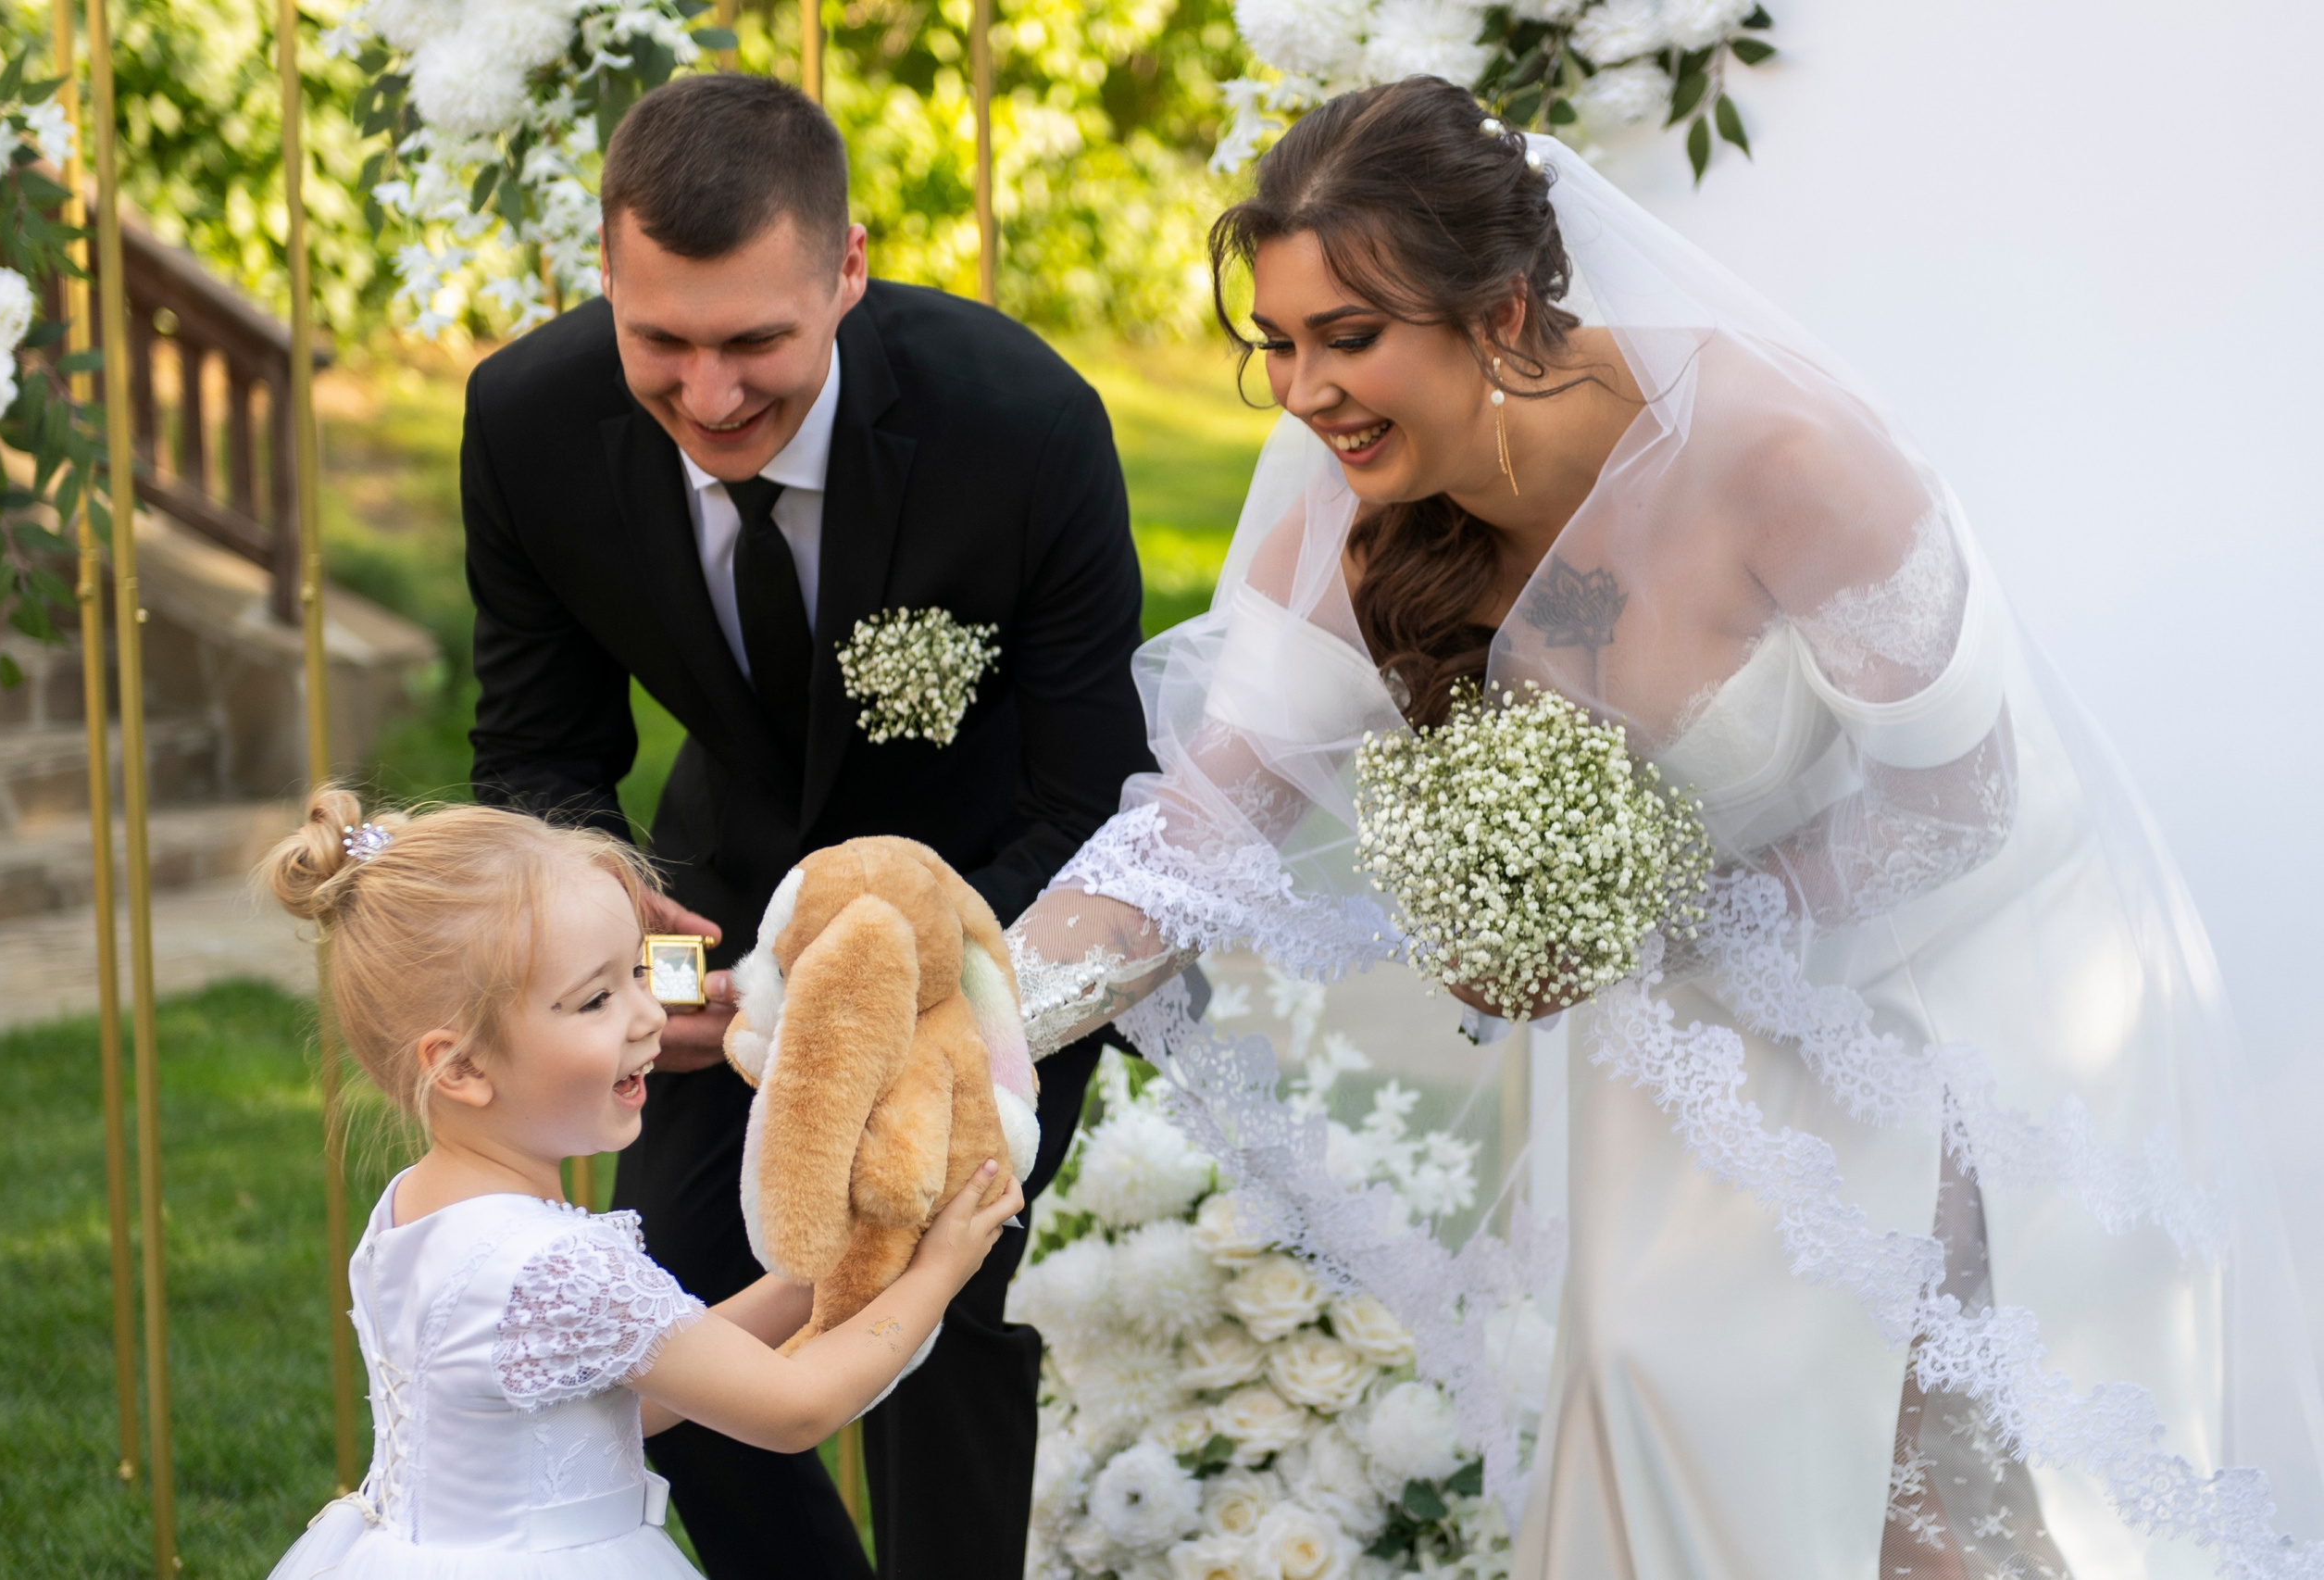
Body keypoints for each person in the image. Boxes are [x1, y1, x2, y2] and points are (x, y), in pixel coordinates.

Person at [1008, 77, 2324, 1579]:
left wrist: (1635, 919)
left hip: (1961, 992)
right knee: (1650, 1379)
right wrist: (981, 1015)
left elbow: (1965, 801)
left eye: (1350, 338)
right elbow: (1197, 832)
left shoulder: (1783, 456)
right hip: (1689, 1035)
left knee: (1927, 1482)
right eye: (1280, 345)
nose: (1305, 393)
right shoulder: (1350, 509)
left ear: (1503, 313)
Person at [457, 72, 1153, 1578]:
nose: (709, 398)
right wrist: (621, 929)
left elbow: (1088, 791)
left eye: (756, 342)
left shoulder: (1020, 426)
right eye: (664, 344)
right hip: (717, 918)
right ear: (608, 281)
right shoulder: (526, 424)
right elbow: (538, 756)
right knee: (673, 1334)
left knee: (935, 1322)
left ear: (845, 271)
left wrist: (928, 989)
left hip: (991, 933)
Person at [257, 790, 1025, 1579]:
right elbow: (797, 1409)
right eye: (595, 999)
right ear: (461, 1067)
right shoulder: (559, 1267)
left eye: (635, 974)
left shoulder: (414, 1210)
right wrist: (936, 1275)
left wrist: (827, 1274)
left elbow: (634, 1391)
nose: (649, 1017)